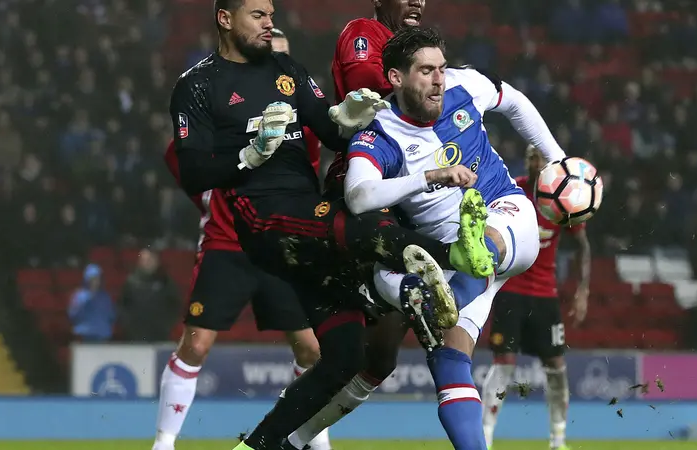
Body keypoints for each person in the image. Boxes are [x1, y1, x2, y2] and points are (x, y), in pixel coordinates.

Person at [167, 2, 493, 449]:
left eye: (271, 14)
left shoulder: (286, 69)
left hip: (307, 219)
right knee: (365, 227)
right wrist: (248, 156)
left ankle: (256, 445)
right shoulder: (198, 86)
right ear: (225, 19)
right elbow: (192, 173)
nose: (269, 24)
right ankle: (446, 262)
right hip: (264, 220)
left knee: (345, 355)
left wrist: (353, 117)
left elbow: (333, 131)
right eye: (258, 15)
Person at [282, 27, 569, 450]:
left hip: (507, 218)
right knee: (448, 359)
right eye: (426, 71)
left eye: (441, 68)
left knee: (469, 253)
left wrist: (557, 160)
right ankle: (295, 439)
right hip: (451, 263)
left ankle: (462, 259)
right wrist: (428, 178)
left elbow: (512, 100)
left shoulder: (464, 85)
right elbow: (359, 195)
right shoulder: (379, 132)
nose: (439, 79)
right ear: (396, 78)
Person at [155, 141, 330, 450]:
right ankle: (164, 443)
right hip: (225, 244)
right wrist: (208, 197)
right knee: (195, 345)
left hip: (280, 245)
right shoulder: (221, 113)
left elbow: (311, 159)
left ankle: (316, 440)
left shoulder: (293, 111)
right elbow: (178, 153)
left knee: (312, 350)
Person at [480, 145, 591, 450]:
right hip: (510, 290)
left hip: (545, 295)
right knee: (504, 362)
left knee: (556, 365)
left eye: (541, 159)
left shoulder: (561, 198)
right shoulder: (511, 190)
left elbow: (582, 244)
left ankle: (558, 438)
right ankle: (485, 437)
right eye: (531, 157)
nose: (535, 163)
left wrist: (583, 290)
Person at [324, 0, 424, 193]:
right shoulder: (363, 31)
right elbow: (369, 88)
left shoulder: (417, 48)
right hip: (361, 167)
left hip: (403, 167)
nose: (416, 2)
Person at [270, 28, 322, 175]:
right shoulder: (239, 96)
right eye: (272, 55)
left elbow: (313, 161)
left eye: (284, 55)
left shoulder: (303, 96)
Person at [119, 249, 179, 343]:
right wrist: (130, 325)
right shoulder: (131, 282)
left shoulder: (165, 282)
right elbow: (123, 305)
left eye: (150, 260)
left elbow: (175, 306)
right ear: (140, 262)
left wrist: (166, 325)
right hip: (135, 336)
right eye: (145, 260)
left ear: (157, 262)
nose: (148, 263)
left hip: (160, 335)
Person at [67, 264, 114, 342]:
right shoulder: (79, 296)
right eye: (92, 279)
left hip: (102, 334)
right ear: (87, 279)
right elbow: (73, 314)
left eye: (97, 278)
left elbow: (111, 315)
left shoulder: (105, 297)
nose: (95, 281)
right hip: (84, 334)